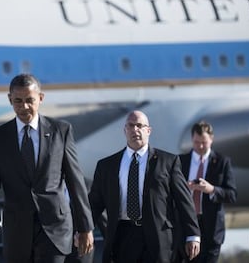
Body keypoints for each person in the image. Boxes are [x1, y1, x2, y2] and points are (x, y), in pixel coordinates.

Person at [0, 74, 94, 263]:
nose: (24, 107)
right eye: (18, 101)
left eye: (30, 100)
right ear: (9, 100)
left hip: (55, 229)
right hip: (17, 232)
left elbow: (75, 182)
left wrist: (85, 227)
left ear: (40, 98)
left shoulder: (60, 131)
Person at [89, 110, 200, 263]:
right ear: (125, 130)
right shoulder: (107, 166)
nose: (135, 130)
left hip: (158, 236)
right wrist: (84, 229)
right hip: (123, 235)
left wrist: (193, 234)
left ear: (148, 130)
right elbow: (94, 203)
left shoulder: (168, 162)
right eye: (131, 126)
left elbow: (184, 201)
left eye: (140, 126)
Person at [179, 120, 237, 263]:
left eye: (204, 142)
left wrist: (211, 189)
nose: (200, 146)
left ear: (212, 139)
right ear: (192, 139)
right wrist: (183, 188)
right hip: (187, 227)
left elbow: (232, 195)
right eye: (196, 142)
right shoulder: (180, 161)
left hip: (212, 231)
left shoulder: (223, 162)